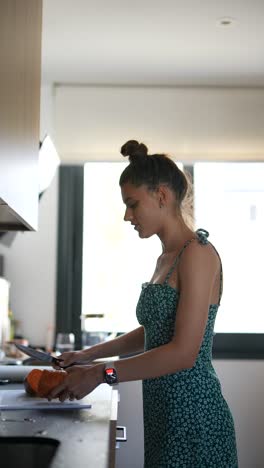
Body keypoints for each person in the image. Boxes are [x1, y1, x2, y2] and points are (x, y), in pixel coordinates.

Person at [48, 140, 238, 468]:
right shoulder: (167, 257)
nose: (127, 216)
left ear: (161, 195)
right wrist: (87, 355)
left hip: (196, 420)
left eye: (132, 204)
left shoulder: (198, 253)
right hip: (164, 416)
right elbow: (154, 331)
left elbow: (183, 352)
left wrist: (100, 373)